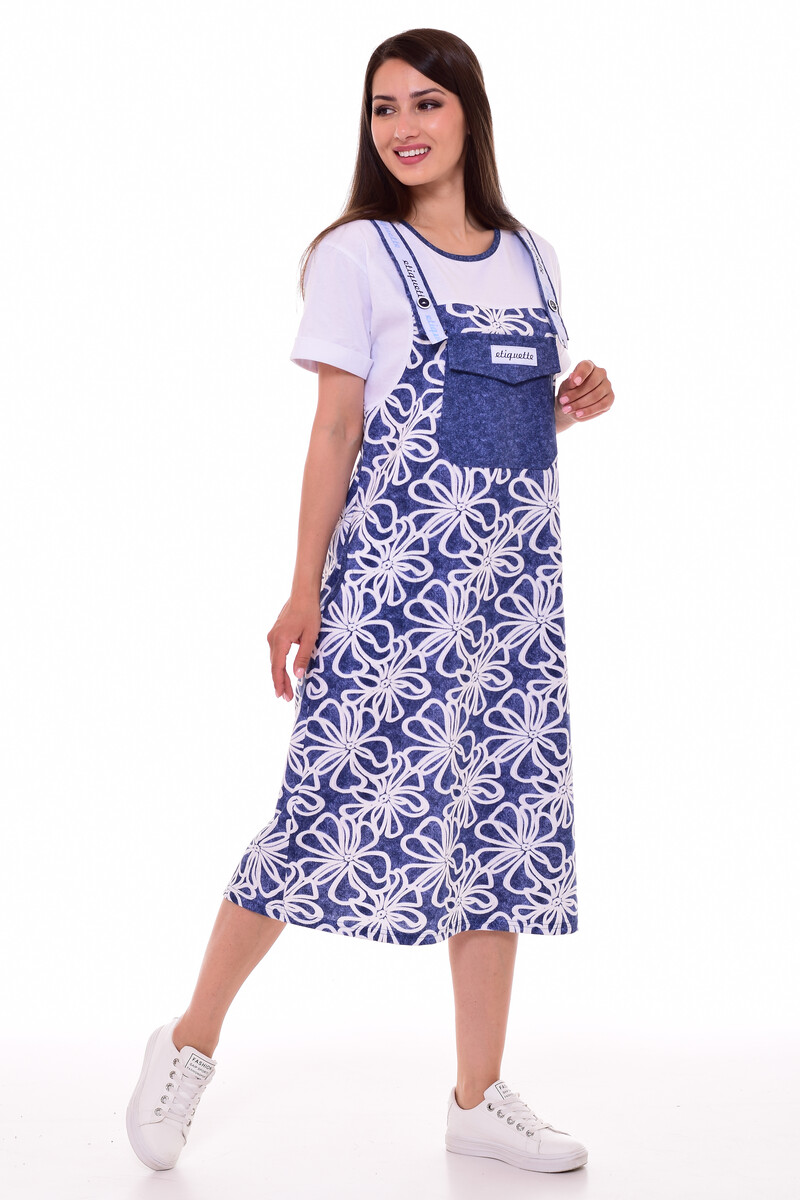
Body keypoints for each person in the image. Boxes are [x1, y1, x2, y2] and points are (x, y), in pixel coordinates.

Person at [126, 26, 615, 1177]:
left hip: (511, 598)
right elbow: (340, 427)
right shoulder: (356, 255)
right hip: (393, 594)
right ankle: (188, 1042)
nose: (402, 127)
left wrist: (563, 407)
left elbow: (491, 425)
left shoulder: (533, 257)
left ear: (467, 114)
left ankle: (476, 1096)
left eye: (424, 104)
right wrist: (302, 589)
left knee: (499, 823)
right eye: (383, 107)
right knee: (321, 816)